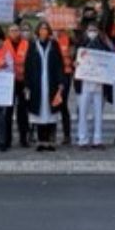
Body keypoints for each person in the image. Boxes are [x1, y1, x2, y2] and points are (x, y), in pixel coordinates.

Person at [24, 22, 66, 151]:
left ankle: (50, 141)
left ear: (49, 31)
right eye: (41, 28)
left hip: (51, 82)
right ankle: (41, 141)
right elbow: (28, 66)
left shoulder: (54, 45)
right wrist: (27, 84)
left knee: (51, 112)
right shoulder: (32, 46)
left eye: (46, 29)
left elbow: (60, 64)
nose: (44, 31)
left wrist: (61, 82)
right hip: (37, 84)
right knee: (39, 113)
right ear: (38, 31)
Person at [75, 21, 110, 150]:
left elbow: (110, 60)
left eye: (94, 30)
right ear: (86, 31)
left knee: (98, 113)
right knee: (82, 112)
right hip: (84, 83)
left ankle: (98, 139)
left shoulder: (104, 45)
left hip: (99, 83)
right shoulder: (81, 45)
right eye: (90, 30)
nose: (92, 32)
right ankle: (82, 140)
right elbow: (75, 60)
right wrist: (76, 64)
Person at [4, 23, 31, 148]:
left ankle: (23, 138)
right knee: (7, 112)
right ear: (8, 32)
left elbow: (31, 63)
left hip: (23, 81)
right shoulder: (3, 45)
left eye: (16, 30)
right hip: (8, 82)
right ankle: (7, 139)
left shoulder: (27, 44)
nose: (14, 32)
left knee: (22, 112)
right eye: (12, 30)